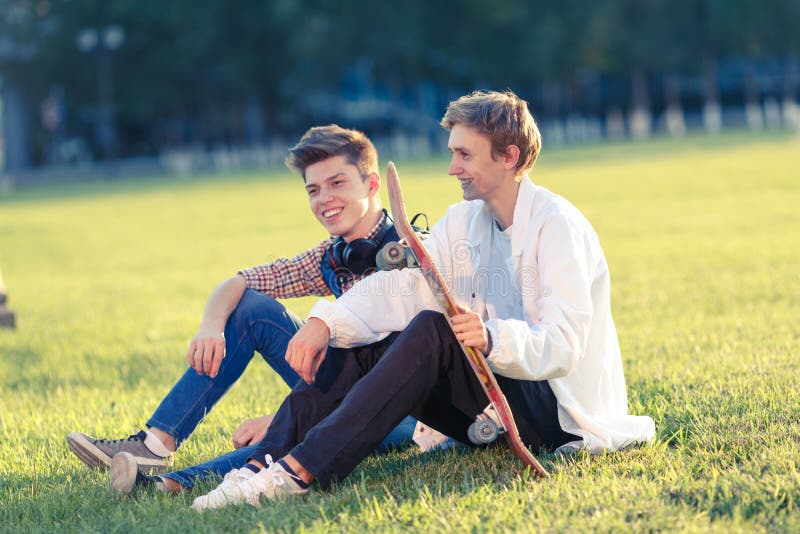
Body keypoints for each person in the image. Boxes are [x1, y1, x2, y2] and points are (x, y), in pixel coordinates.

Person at [188, 90, 656, 511]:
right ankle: (258, 467)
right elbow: (407, 287)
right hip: (490, 400)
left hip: (557, 413)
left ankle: (300, 472)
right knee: (371, 342)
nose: (452, 167)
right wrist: (327, 321)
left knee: (434, 331)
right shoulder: (465, 221)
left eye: (463, 154)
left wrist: (492, 337)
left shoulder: (558, 226)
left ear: (508, 156)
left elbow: (564, 343)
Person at [66, 124, 430, 493]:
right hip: (339, 389)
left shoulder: (412, 255)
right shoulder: (333, 255)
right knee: (251, 309)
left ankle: (166, 485)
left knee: (300, 432)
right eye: (314, 190)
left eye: (337, 183)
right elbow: (238, 282)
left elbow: (397, 373)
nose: (324, 199)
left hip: (406, 415)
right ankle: (154, 444)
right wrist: (211, 327)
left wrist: (281, 418)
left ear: (371, 185)